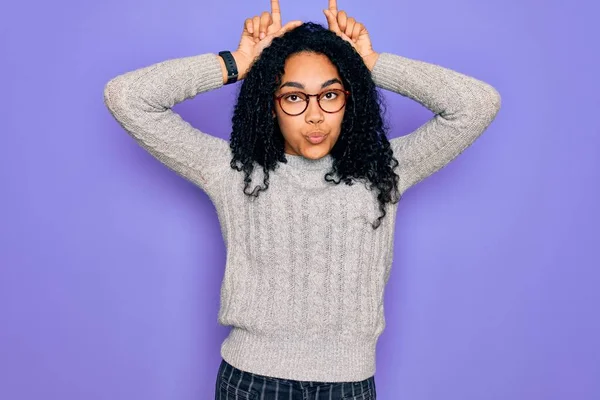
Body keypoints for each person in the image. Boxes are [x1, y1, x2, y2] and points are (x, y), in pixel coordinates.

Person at [103, 0, 501, 398]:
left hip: (349, 385)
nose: (315, 115)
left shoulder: (384, 169)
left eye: (330, 95)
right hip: (252, 384)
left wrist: (370, 62)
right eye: (294, 98)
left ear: (351, 99)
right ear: (269, 104)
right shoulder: (234, 169)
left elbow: (476, 104)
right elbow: (127, 97)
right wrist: (237, 62)